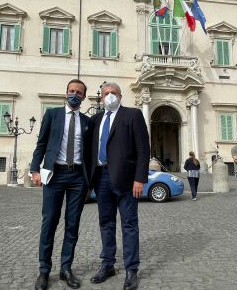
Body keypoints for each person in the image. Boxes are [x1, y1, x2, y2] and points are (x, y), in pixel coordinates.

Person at [30, 79, 93, 290]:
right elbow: (41, 144)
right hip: (53, 175)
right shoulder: (52, 115)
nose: (74, 94)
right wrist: (35, 170)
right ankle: (44, 271)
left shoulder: (87, 121)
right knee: (49, 222)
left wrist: (89, 182)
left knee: (72, 225)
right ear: (65, 93)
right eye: (71, 91)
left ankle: (66, 268)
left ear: (84, 97)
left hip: (77, 178)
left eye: (78, 92)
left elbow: (90, 154)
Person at [89, 82, 150, 290]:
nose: (109, 97)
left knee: (129, 225)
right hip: (101, 178)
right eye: (106, 94)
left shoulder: (133, 115)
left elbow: (143, 148)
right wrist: (89, 182)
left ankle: (131, 269)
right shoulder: (96, 119)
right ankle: (108, 264)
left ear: (120, 96)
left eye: (113, 93)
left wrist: (140, 178)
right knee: (106, 223)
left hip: (126, 180)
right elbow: (90, 151)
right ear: (100, 98)